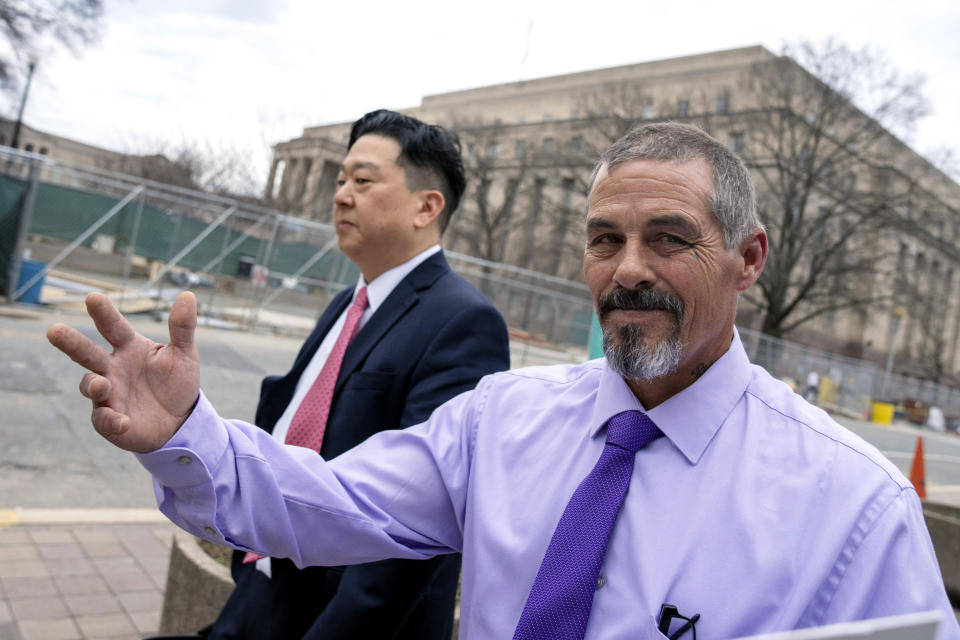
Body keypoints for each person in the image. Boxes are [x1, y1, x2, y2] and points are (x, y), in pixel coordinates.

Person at [47, 123, 959, 640]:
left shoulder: (857, 510)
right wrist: (185, 436)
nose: (628, 269)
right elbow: (319, 502)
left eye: (669, 238)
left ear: (749, 258)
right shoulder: (498, 423)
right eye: (606, 240)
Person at [172, 110, 513, 638]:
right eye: (339, 180)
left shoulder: (464, 322)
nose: (341, 195)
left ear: (427, 206)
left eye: (362, 180)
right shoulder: (345, 304)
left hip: (341, 617)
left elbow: (418, 514)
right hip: (266, 587)